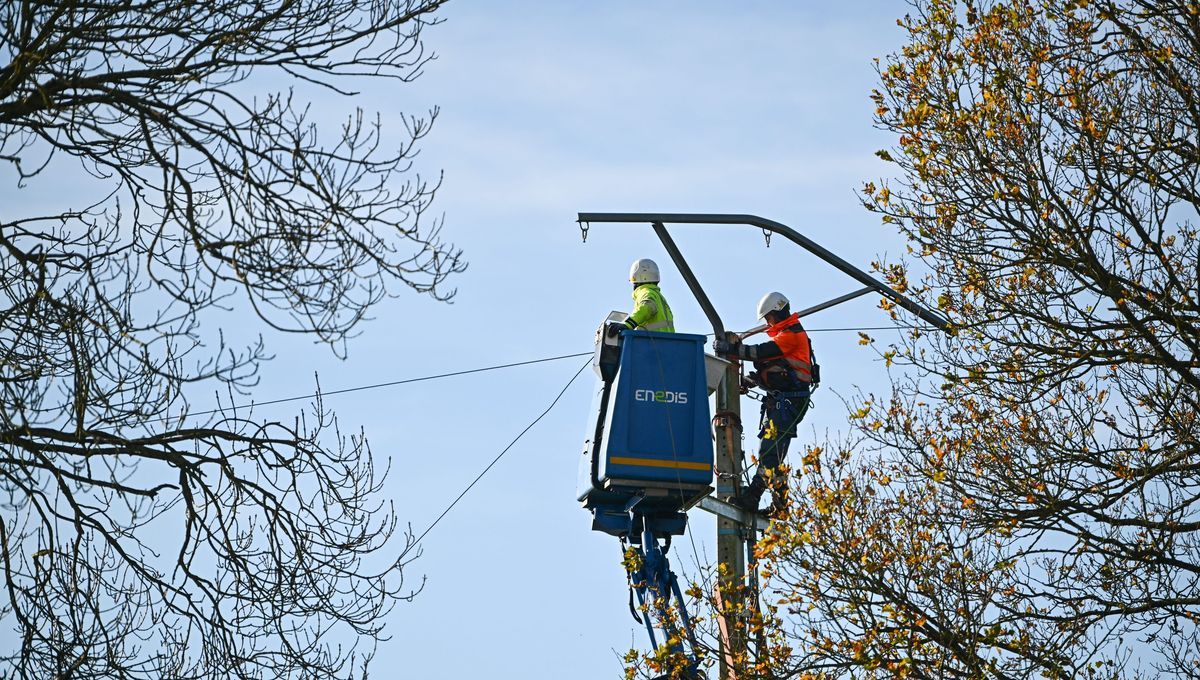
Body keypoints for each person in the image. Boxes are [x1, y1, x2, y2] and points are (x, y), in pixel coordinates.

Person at [712, 291, 816, 514]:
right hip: (782, 401)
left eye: (769, 317)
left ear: (778, 313)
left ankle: (752, 497)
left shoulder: (792, 336)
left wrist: (730, 349)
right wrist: (752, 381)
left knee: (769, 452)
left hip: (788, 403)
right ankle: (781, 505)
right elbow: (779, 369)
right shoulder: (786, 336)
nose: (768, 323)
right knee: (774, 454)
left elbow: (759, 352)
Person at [606, 258, 674, 336]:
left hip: (651, 343)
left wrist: (628, 324)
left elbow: (647, 307)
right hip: (667, 343)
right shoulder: (660, 298)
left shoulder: (645, 292)